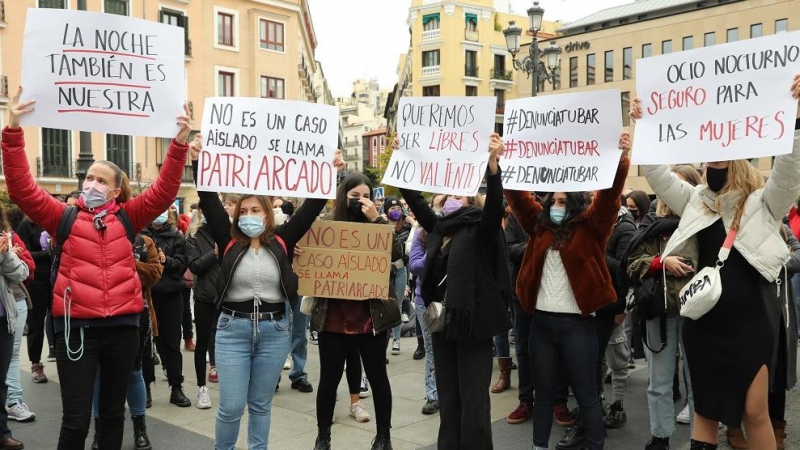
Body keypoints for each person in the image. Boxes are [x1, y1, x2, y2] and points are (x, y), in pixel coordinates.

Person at [1, 87, 192, 448]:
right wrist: (12, 130)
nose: (91, 184)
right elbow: (23, 189)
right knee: (75, 421)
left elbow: (166, 191)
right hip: (77, 331)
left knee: (112, 417)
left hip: (122, 329)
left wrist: (179, 144)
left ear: (117, 191)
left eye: (101, 180)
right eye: (89, 177)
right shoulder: (64, 217)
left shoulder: (130, 218)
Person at [630, 75, 800, 450]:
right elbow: (657, 174)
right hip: (702, 323)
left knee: (755, 413)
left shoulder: (763, 202)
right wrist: (641, 125)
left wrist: (794, 116)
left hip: (752, 324)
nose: (714, 154)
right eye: (708, 151)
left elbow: (789, 175)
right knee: (705, 411)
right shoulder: (694, 199)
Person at [190, 136, 341, 450]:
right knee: (231, 407)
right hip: (232, 330)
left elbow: (312, 207)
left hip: (274, 331)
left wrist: (330, 171)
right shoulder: (227, 237)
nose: (248, 214)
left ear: (267, 213)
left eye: (255, 209)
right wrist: (197, 161)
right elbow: (207, 197)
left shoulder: (283, 238)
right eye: (243, 210)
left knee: (260, 404)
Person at [506, 132, 631, 450]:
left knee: (587, 394)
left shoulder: (591, 228)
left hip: (578, 325)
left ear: (575, 203)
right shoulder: (539, 226)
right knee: (543, 394)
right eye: (553, 201)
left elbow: (608, 198)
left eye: (563, 201)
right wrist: (504, 160)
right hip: (542, 326)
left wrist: (619, 159)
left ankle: (594, 445)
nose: (556, 205)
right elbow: (519, 198)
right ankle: (539, 446)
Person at [399, 134, 511, 449]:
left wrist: (493, 169)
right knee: (449, 399)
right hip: (442, 325)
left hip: (474, 327)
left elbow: (494, 208)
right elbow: (416, 201)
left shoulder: (481, 228)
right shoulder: (438, 229)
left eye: (459, 194)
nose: (451, 197)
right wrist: (402, 161)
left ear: (471, 200)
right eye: (448, 193)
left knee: (474, 404)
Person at [311, 172, 402, 450]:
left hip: (370, 317)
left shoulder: (379, 225)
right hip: (334, 318)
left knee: (377, 377)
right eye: (354, 196)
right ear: (343, 196)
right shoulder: (327, 225)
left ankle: (384, 436)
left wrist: (377, 220)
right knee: (329, 378)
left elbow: (397, 254)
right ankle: (323, 435)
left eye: (365, 196)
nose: (360, 201)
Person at [624, 165, 703, 450]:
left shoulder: (704, 222)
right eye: (669, 185)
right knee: (658, 383)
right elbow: (632, 263)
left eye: (679, 186)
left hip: (696, 312)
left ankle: (700, 439)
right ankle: (660, 437)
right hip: (660, 312)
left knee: (698, 384)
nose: (673, 192)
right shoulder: (651, 222)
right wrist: (660, 263)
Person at [91, 232, 162, 450]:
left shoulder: (144, 241)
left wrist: (129, 261)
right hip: (96, 313)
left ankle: (140, 428)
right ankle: (99, 430)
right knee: (99, 374)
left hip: (133, 315)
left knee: (134, 372)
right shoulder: (91, 236)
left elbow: (153, 274)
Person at [142, 207, 190, 407]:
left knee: (171, 343)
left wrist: (166, 260)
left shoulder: (176, 237)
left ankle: (176, 387)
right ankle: (145, 388)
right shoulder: (140, 236)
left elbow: (181, 265)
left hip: (170, 295)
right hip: (146, 296)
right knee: (145, 345)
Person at [407, 197, 444, 416]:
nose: (441, 208)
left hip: (452, 300)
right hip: (426, 302)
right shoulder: (421, 234)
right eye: (437, 205)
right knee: (432, 350)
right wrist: (434, 248)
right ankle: (433, 394)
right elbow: (414, 266)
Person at [0, 204, 36, 425]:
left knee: (11, 355)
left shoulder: (9, 236)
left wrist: (7, 255)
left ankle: (14, 403)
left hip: (12, 303)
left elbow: (26, 270)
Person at [186, 208, 221, 407]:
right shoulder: (194, 236)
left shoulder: (227, 232)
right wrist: (214, 254)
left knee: (229, 344)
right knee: (203, 344)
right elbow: (195, 266)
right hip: (205, 297)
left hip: (228, 297)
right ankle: (202, 388)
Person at [0, 229, 30, 450]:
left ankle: (2, 433)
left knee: (1, 380)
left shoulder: (4, 239)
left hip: (3, 319)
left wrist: (6, 253)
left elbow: (21, 274)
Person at [16, 214, 53, 383]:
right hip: (36, 280)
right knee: (36, 323)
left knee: (60, 321)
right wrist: (48, 253)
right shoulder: (26, 226)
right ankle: (36, 364)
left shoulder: (52, 223)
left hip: (56, 277)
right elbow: (26, 254)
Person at [504, 208, 533, 425]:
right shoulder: (518, 216)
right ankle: (526, 400)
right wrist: (537, 245)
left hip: (552, 292)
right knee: (523, 348)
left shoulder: (559, 210)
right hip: (521, 291)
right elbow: (509, 249)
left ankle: (556, 400)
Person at [383, 197, 412, 355]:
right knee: (384, 305)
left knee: (398, 305)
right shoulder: (380, 225)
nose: (396, 211)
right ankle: (384, 341)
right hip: (384, 272)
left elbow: (407, 251)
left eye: (398, 208)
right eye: (392, 209)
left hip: (400, 270)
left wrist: (414, 224)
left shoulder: (406, 227)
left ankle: (396, 340)